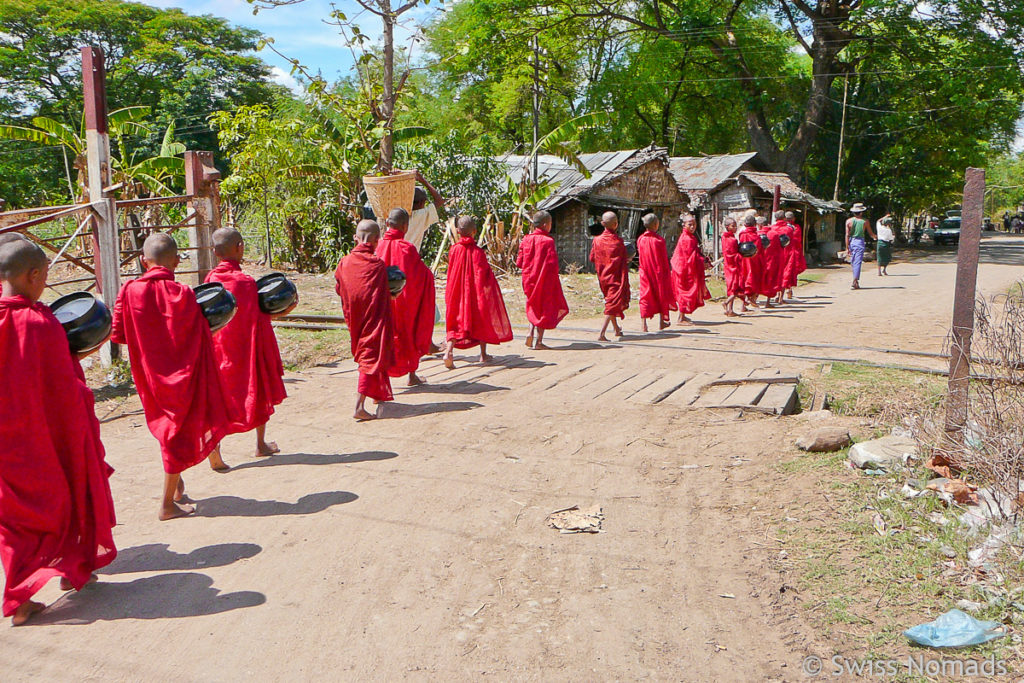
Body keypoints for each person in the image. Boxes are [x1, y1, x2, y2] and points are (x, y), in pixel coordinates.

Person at [0, 240, 117, 626]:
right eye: (45, 276)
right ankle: (72, 568)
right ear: (33, 276)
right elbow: (66, 389)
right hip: (43, 439)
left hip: (6, 447)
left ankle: (20, 598)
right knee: (69, 497)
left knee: (15, 521)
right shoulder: (40, 322)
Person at [110, 233, 230, 520]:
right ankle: (166, 504)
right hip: (183, 375)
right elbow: (201, 333)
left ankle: (176, 489)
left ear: (143, 261)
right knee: (176, 432)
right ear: (176, 261)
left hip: (150, 376)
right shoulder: (183, 293)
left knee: (167, 430)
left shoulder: (129, 291)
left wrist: (147, 341)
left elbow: (118, 334)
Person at [204, 229, 293, 467]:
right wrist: (282, 311)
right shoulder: (246, 282)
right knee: (258, 388)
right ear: (240, 247)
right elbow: (259, 317)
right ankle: (260, 444)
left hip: (219, 352)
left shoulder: (211, 280)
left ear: (215, 252)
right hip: (247, 349)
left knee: (217, 398)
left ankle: (215, 451)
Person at [335, 220, 396, 421]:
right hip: (372, 319)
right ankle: (358, 406)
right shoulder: (377, 265)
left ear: (356, 238)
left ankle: (376, 395)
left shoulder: (344, 263)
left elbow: (340, 289)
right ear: (376, 240)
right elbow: (384, 293)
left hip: (356, 317)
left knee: (367, 353)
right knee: (369, 355)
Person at [375, 208, 436, 387]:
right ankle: (411, 374)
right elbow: (422, 275)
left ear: (387, 224)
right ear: (405, 226)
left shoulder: (376, 246)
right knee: (409, 333)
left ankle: (381, 378)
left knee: (383, 338)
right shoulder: (407, 248)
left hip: (382, 303)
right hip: (404, 302)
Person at [442, 216, 513, 369]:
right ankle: (483, 354)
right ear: (474, 232)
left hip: (457, 295)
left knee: (455, 322)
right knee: (481, 320)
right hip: (475, 295)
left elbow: (451, 272)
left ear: (458, 232)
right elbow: (483, 275)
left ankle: (448, 352)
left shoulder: (454, 250)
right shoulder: (478, 252)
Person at [517, 210, 569, 349]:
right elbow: (552, 264)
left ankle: (530, 332)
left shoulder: (526, 239)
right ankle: (539, 342)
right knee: (545, 309)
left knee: (532, 305)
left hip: (528, 279)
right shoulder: (548, 241)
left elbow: (519, 262)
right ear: (546, 225)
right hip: (544, 280)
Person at [589, 211, 630, 341]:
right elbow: (624, 259)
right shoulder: (618, 242)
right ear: (616, 224)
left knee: (610, 300)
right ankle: (601, 334)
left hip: (603, 276)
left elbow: (592, 258)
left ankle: (617, 329)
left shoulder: (596, 240)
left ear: (602, 224)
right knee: (611, 304)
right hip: (615, 277)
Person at [636, 213, 675, 331]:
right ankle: (662, 322)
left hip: (644, 272)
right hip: (658, 273)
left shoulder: (640, 239)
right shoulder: (659, 240)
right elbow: (663, 259)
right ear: (655, 224)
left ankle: (644, 325)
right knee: (661, 296)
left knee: (645, 296)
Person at [670, 213, 710, 325]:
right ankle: (680, 318)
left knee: (687, 291)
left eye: (694, 224)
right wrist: (701, 261)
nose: (693, 227)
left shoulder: (690, 237)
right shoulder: (686, 239)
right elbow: (690, 257)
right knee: (685, 292)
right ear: (684, 225)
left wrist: (703, 259)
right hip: (683, 270)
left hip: (686, 269)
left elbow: (694, 254)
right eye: (690, 224)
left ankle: (683, 316)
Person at [405, 172, 445, 253]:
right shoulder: (422, 215)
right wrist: (423, 180)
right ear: (421, 202)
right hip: (411, 259)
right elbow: (439, 200)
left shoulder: (399, 214)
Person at [845, 203, 876, 290]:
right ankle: (855, 280)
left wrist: (847, 247)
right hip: (860, 242)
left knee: (853, 261)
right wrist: (875, 237)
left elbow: (847, 235)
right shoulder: (865, 221)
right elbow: (870, 233)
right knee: (857, 262)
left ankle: (855, 280)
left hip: (851, 242)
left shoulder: (848, 221)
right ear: (861, 212)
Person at [737, 215, 763, 312]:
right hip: (754, 261)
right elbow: (759, 250)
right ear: (755, 224)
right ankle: (751, 299)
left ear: (744, 224)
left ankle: (743, 305)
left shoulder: (742, 234)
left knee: (744, 281)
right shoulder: (757, 236)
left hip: (743, 261)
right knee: (754, 280)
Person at [759, 213, 784, 307]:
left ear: (760, 225)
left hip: (760, 261)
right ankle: (768, 302)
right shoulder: (774, 234)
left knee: (758, 279)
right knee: (770, 280)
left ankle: (752, 300)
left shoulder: (758, 234)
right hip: (772, 261)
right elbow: (780, 248)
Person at [720, 217, 742, 317]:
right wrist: (741, 255)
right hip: (733, 266)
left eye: (735, 225)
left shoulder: (725, 237)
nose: (735, 228)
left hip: (728, 266)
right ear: (727, 227)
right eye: (733, 226)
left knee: (731, 288)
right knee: (734, 287)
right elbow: (731, 255)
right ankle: (726, 302)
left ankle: (730, 310)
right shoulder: (732, 240)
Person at [783, 210, 806, 300]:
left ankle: (783, 292)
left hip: (784, 252)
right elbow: (798, 241)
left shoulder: (783, 228)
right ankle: (789, 289)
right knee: (791, 272)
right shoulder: (796, 228)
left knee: (783, 271)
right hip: (793, 253)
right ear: (794, 219)